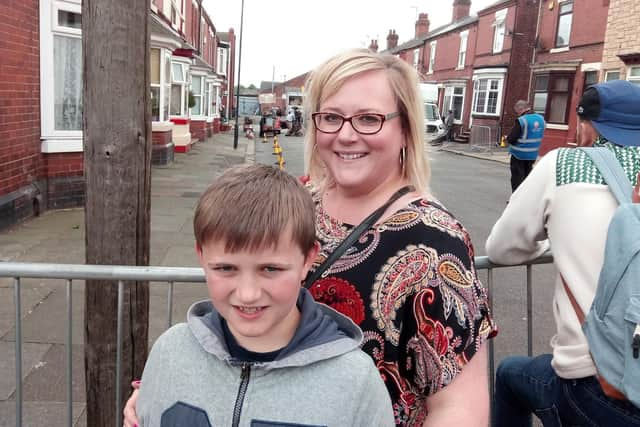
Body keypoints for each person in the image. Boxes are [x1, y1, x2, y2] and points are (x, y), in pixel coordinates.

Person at [124, 48, 496, 427]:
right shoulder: (301, 200)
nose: (346, 135)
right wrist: (169, 389)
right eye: (331, 118)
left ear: (405, 129)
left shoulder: (436, 241)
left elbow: (459, 407)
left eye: (368, 119)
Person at [133, 164, 394, 427]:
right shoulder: (170, 354)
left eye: (271, 269)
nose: (247, 294)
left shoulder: (356, 383)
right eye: (226, 268)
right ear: (202, 256)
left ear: (307, 259)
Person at [485, 80, 640, 426]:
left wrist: (553, 242)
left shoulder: (564, 164)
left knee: (511, 374)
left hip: (599, 382)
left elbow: (501, 247)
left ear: (587, 126)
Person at [504, 100, 545, 192]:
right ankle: (525, 196)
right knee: (527, 177)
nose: (517, 114)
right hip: (532, 154)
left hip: (519, 154)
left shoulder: (522, 120)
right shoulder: (541, 119)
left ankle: (516, 198)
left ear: (521, 109)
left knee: (517, 178)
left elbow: (512, 138)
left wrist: (507, 138)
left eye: (517, 111)